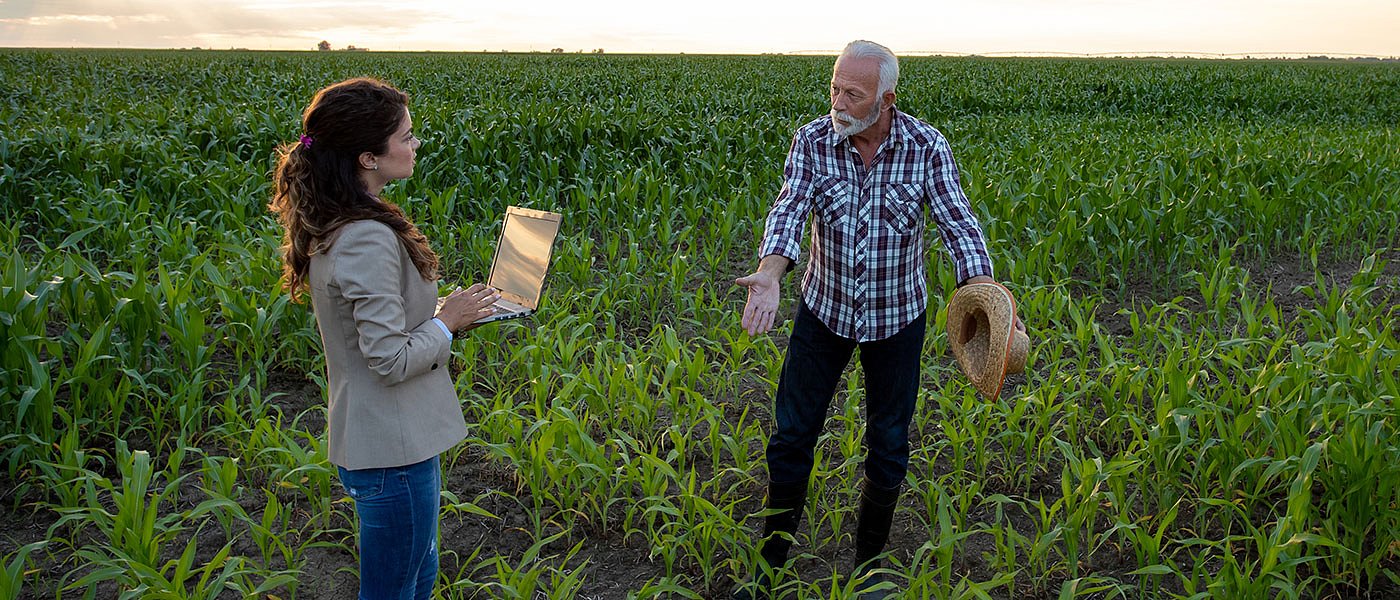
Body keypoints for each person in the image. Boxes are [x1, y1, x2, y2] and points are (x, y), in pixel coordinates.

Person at [732, 41, 1023, 599]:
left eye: (853, 94)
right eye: (834, 88)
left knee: (888, 443)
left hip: (897, 319)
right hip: (824, 311)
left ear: (886, 99)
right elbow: (790, 207)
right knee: (791, 436)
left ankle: (868, 570)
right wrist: (771, 273)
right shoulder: (814, 140)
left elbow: (957, 221)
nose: (838, 103)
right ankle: (768, 568)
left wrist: (980, 292)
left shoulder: (925, 147)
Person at [269, 77, 500, 600]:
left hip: (380, 446)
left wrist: (448, 311)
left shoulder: (339, 218)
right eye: (407, 136)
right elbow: (389, 359)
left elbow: (375, 329)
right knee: (399, 589)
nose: (416, 145)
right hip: (393, 452)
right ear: (368, 157)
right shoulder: (365, 236)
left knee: (413, 581)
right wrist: (448, 323)